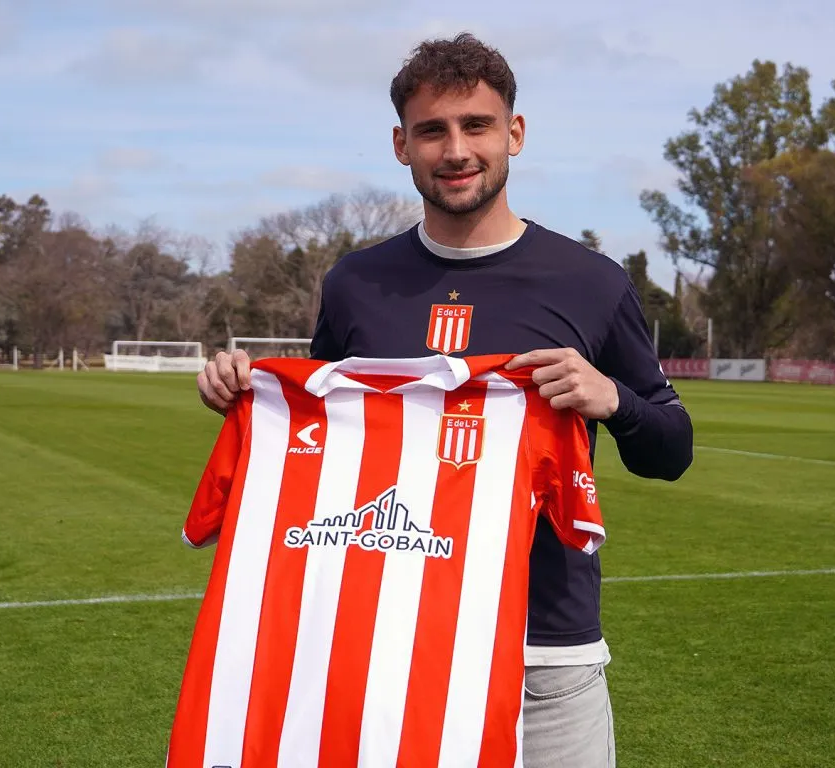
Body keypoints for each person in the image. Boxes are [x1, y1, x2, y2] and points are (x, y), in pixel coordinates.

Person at [197, 32, 693, 768]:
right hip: (388, 644)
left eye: (476, 125)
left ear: (514, 134)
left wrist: (611, 397)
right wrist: (241, 395)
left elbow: (672, 450)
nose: (455, 149)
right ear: (401, 145)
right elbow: (323, 438)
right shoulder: (356, 284)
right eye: (432, 130)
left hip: (543, 656)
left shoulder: (590, 281)